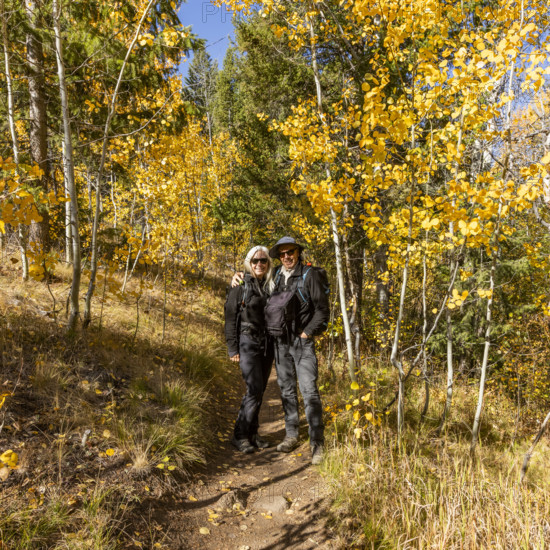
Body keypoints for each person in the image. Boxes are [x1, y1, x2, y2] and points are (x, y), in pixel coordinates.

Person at [232, 236, 330, 465]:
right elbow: (254, 278)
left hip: (302, 344)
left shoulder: (310, 275)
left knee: (309, 391)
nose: (287, 256)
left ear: (298, 253)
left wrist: (306, 333)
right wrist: (236, 277)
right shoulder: (275, 276)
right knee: (286, 390)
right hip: (280, 344)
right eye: (283, 253)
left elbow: (323, 311)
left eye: (291, 252)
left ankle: (317, 443)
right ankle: (291, 435)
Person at [225, 246, 274, 454]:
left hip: (267, 344)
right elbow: (229, 318)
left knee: (260, 389)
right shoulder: (240, 285)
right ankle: (240, 435)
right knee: (253, 388)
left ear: (268, 263)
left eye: (263, 260)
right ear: (249, 262)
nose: (259, 264)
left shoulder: (272, 284)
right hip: (247, 341)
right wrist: (232, 348)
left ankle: (253, 434)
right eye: (255, 261)